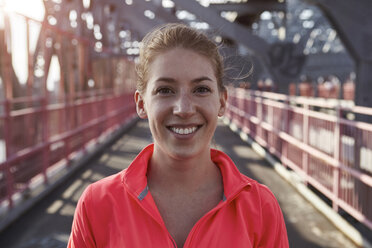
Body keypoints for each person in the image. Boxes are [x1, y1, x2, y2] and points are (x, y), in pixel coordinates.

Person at [68, 23, 289, 248]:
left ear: (222, 102)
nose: (184, 109)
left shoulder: (261, 208)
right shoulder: (97, 205)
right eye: (165, 90)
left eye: (201, 89)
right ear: (141, 104)